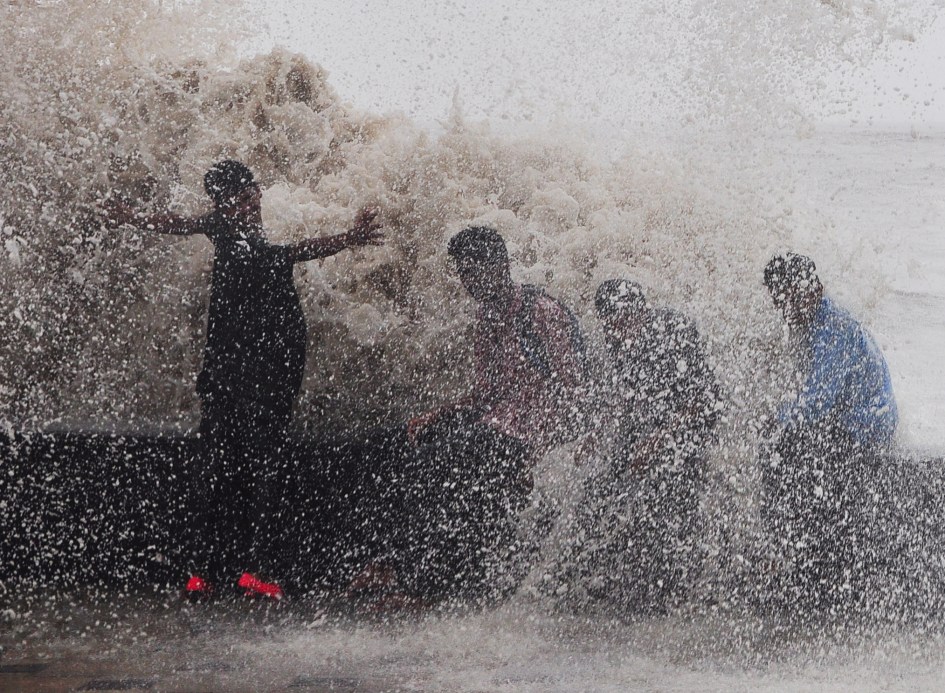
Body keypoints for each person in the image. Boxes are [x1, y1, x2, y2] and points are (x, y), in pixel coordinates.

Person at [103, 160, 384, 599]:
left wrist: (130, 216)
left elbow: (175, 223)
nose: (254, 200)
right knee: (259, 469)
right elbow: (292, 252)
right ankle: (254, 573)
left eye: (253, 190)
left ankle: (201, 572)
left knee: (217, 468)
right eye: (245, 194)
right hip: (256, 376)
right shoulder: (244, 244)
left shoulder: (224, 229)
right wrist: (348, 239)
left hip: (229, 372)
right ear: (227, 202)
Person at [346, 226, 588, 608]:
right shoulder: (487, 317)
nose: (470, 282)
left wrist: (540, 451)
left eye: (476, 272)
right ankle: (392, 561)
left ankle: (420, 583)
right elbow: (486, 395)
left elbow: (575, 391)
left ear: (502, 266)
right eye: (464, 273)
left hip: (529, 437)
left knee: (435, 463)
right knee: (401, 445)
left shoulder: (540, 312)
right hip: (494, 424)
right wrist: (437, 414)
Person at [548, 279, 722, 613]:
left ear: (641, 310)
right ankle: (579, 582)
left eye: (626, 321)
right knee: (598, 493)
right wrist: (595, 433)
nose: (620, 331)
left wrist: (657, 442)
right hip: (645, 425)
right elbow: (624, 393)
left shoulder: (674, 332)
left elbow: (703, 399)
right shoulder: (616, 340)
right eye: (612, 325)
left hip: (688, 424)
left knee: (658, 493)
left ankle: (671, 590)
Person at [760, 253, 897, 608]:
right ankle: (790, 548)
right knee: (785, 448)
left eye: (792, 297)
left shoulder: (832, 327)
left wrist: (776, 417)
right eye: (781, 299)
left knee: (781, 445)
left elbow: (818, 400)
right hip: (847, 419)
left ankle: (796, 555)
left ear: (814, 290)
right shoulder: (814, 319)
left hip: (865, 425)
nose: (786, 307)